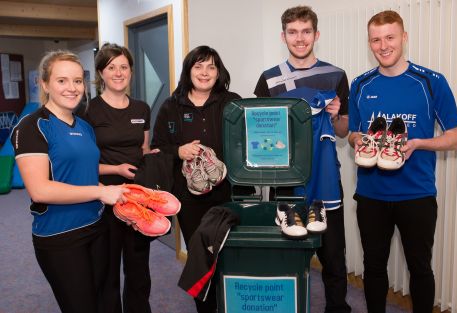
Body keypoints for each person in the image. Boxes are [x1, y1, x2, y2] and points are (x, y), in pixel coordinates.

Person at [348, 10, 457, 313]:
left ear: (404, 38)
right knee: (373, 266)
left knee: (420, 268)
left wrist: (419, 144)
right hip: (371, 193)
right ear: (369, 43)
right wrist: (356, 139)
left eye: (390, 37)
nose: (383, 46)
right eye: (376, 39)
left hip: (417, 193)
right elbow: (353, 133)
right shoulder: (360, 84)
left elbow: (455, 138)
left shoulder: (431, 81)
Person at [10, 50, 126, 313]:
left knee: (106, 302)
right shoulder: (32, 126)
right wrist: (100, 192)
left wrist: (113, 189)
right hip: (60, 235)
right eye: (62, 80)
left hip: (96, 226)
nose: (72, 88)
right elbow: (40, 190)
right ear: (45, 84)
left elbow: (81, 169)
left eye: (77, 81)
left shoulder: (84, 126)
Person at [254, 5, 351, 313]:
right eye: (293, 32)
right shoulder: (269, 80)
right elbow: (259, 136)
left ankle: (337, 308)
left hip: (325, 181)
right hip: (285, 183)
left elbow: (345, 131)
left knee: (334, 257)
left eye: (306, 31)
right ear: (283, 36)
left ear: (316, 34)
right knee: (286, 257)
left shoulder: (335, 76)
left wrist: (336, 116)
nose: (300, 38)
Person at [151, 45, 240, 313]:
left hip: (227, 195)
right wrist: (179, 150)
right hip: (188, 199)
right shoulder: (171, 106)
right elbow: (158, 148)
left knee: (227, 256)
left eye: (211, 66)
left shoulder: (232, 102)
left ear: (218, 71)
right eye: (198, 66)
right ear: (188, 71)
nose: (204, 72)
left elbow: (246, 142)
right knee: (199, 257)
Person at [82, 43, 154, 313]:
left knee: (139, 270)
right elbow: (83, 166)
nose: (119, 72)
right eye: (111, 67)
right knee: (107, 270)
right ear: (101, 72)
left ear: (131, 72)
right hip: (104, 199)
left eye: (124, 67)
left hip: (137, 199)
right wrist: (116, 169)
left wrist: (153, 159)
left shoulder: (142, 109)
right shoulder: (89, 112)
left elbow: (143, 150)